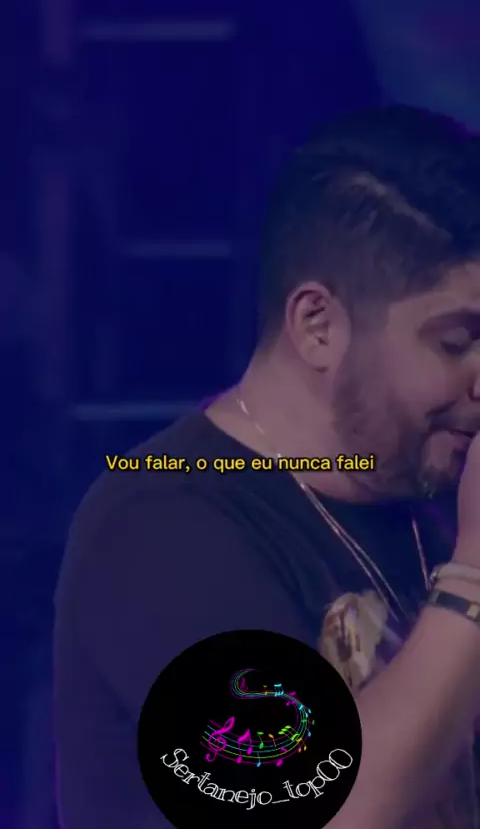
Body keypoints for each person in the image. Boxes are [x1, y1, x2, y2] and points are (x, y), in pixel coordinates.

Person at [54, 105, 480, 829]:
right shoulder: (159, 522)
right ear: (319, 326)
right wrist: (472, 577)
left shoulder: (427, 495)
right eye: (456, 342)